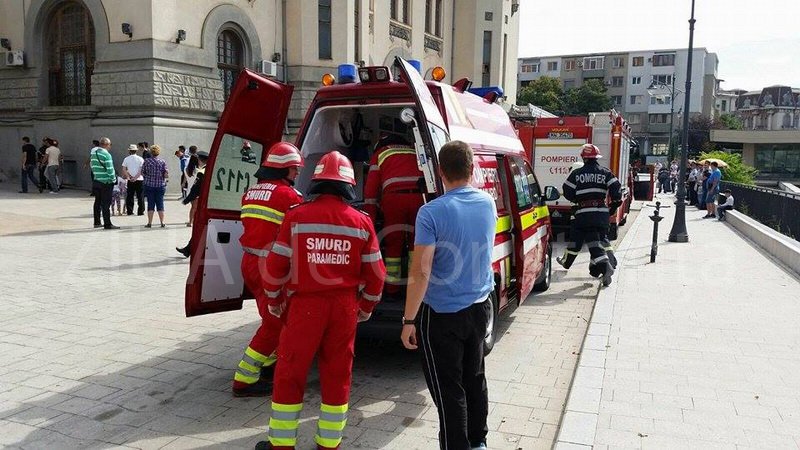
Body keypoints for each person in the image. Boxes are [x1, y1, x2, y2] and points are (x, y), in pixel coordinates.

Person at [256, 151, 385, 450]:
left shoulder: (296, 216)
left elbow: (275, 266)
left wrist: (274, 298)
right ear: (349, 185)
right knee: (338, 374)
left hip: (304, 307)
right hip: (344, 308)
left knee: (290, 372)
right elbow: (377, 274)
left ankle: (281, 444)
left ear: (316, 181)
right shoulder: (361, 222)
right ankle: (329, 443)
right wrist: (366, 307)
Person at [398, 140, 495, 450]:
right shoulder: (488, 203)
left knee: (448, 390)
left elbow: (421, 271)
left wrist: (409, 320)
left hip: (442, 316)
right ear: (472, 168)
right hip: (480, 308)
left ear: (440, 172)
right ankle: (478, 442)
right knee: (475, 378)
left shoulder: (431, 213)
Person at [233, 142, 304, 398]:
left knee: (270, 315)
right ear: (283, 169)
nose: (297, 172)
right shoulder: (289, 196)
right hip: (271, 267)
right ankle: (244, 379)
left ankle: (269, 364)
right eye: (294, 168)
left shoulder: (251, 192)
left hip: (250, 262)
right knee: (275, 323)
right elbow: (298, 234)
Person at [363, 134, 424, 294]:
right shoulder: (415, 151)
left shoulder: (381, 153)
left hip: (394, 199)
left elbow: (370, 190)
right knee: (416, 242)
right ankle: (414, 289)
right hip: (419, 198)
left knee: (393, 243)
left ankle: (392, 290)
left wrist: (370, 217)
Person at [557, 143, 622, 287]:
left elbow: (567, 191)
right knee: (601, 239)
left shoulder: (577, 174)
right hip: (602, 214)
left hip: (585, 214)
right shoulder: (605, 172)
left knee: (591, 241)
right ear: (596, 157)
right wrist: (614, 205)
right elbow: (616, 188)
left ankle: (605, 267)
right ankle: (599, 267)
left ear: (583, 157)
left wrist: (577, 199)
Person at [176, 150, 209, 257]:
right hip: (210, 203)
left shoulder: (202, 172)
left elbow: (195, 190)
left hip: (204, 204)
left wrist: (186, 200)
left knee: (200, 228)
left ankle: (189, 250)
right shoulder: (212, 169)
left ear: (199, 160)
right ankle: (188, 249)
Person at [90, 137, 120, 229]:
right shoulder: (107, 155)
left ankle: (97, 222)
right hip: (106, 182)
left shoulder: (94, 153)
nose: (110, 146)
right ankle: (107, 224)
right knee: (106, 203)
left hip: (97, 180)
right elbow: (110, 169)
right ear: (106, 144)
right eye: (110, 144)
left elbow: (92, 166)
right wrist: (114, 179)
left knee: (97, 202)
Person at [141, 144, 169, 228]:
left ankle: (149, 223)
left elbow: (142, 172)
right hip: (160, 185)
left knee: (150, 204)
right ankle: (162, 222)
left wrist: (147, 176)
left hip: (149, 185)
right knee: (160, 204)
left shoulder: (146, 161)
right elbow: (166, 174)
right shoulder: (162, 162)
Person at [122, 144, 145, 216]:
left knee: (130, 196)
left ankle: (129, 211)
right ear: (136, 151)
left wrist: (128, 176)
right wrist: (136, 177)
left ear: (129, 151)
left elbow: (124, 169)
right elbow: (141, 169)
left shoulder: (126, 159)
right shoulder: (140, 159)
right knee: (140, 196)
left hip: (130, 179)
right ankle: (140, 211)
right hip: (139, 179)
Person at [184, 145, 200, 227]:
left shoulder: (186, 169)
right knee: (195, 208)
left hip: (189, 190)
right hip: (196, 190)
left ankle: (191, 221)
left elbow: (185, 178)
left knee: (193, 207)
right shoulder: (198, 171)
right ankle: (191, 221)